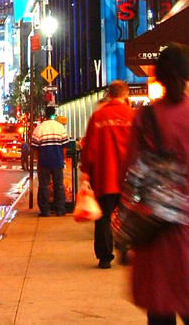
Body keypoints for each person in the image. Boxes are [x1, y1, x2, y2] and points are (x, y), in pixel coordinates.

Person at [124, 43, 189, 325]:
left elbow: (128, 172)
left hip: (156, 230)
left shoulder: (146, 117)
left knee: (160, 310)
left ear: (158, 76)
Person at [80, 79, 135, 269]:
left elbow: (90, 148)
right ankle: (125, 249)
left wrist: (86, 172)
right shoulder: (133, 116)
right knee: (127, 215)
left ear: (109, 95)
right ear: (125, 94)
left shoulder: (98, 117)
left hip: (105, 176)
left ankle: (105, 257)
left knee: (103, 217)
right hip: (130, 177)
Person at [31, 106, 68, 216]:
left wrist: (39, 159)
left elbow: (35, 148)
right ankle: (60, 209)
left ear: (44, 115)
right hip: (57, 160)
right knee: (59, 186)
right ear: (54, 114)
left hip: (44, 162)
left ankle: (45, 210)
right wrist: (63, 158)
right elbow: (64, 146)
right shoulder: (60, 127)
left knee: (43, 186)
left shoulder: (39, 128)